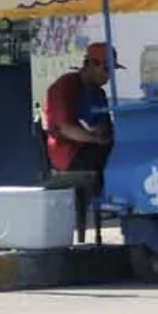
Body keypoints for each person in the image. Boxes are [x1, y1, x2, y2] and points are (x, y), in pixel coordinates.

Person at [42, 42, 122, 239]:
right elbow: (66, 128)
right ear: (91, 65)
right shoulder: (63, 87)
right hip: (67, 154)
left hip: (90, 148)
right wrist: (96, 139)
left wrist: (103, 132)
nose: (109, 76)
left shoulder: (98, 93)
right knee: (105, 155)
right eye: (106, 69)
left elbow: (105, 125)